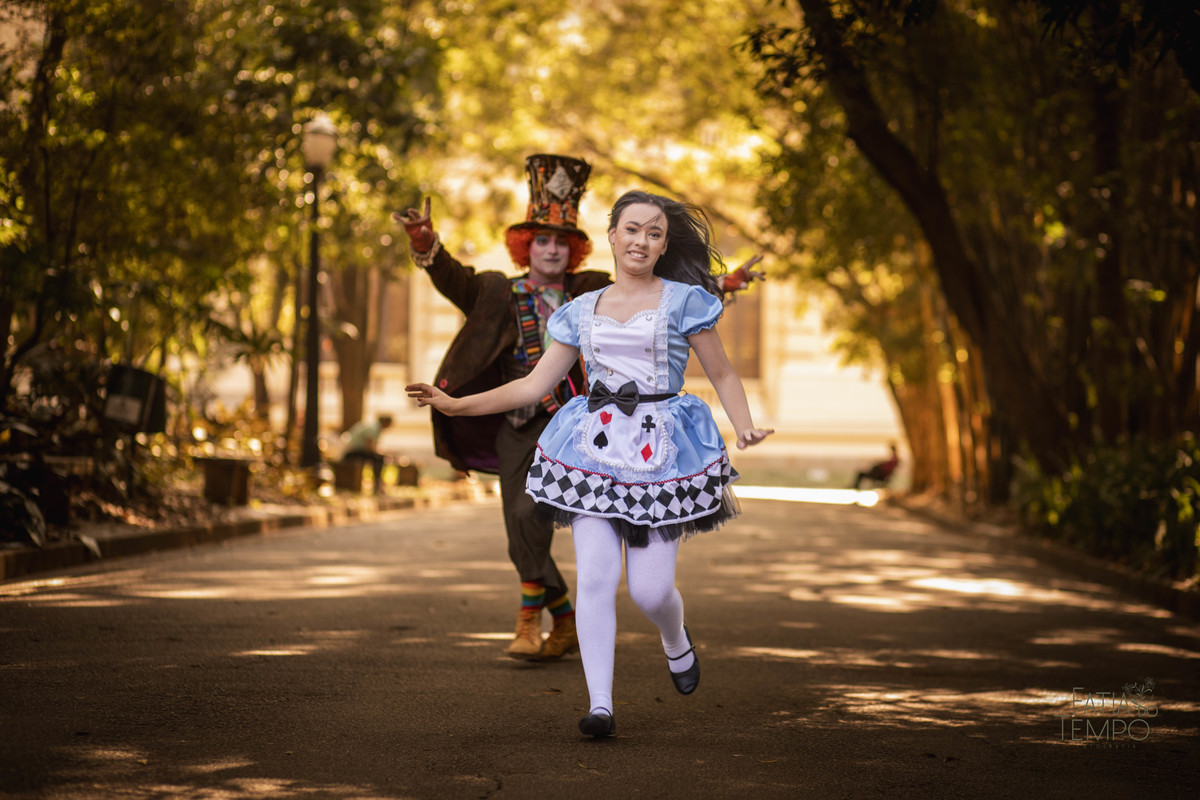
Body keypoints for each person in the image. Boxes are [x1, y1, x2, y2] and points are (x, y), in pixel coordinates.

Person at [405, 189, 774, 738]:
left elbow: (721, 373)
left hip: (661, 453)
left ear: (663, 243)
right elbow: (533, 384)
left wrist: (743, 423)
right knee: (597, 579)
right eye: (631, 230)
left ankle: (676, 638)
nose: (641, 241)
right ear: (613, 237)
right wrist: (454, 403)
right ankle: (601, 705)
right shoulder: (580, 311)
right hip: (593, 453)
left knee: (649, 591)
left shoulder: (683, 301)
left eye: (654, 232)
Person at [342, 414, 394, 494]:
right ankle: (377, 485)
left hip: (355, 450)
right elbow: (369, 447)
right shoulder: (373, 429)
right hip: (352, 451)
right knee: (379, 459)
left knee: (378, 458)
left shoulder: (374, 427)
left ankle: (378, 484)